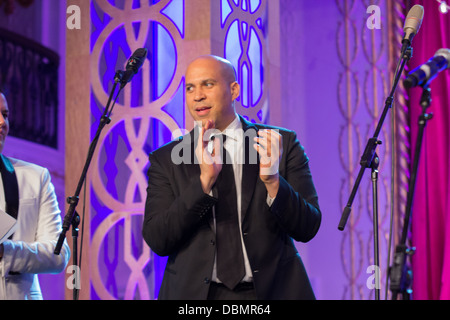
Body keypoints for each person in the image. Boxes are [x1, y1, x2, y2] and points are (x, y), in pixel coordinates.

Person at [142, 55, 321, 300]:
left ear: (234, 89)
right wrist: (203, 183)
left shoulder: (280, 143)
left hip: (270, 293)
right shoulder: (167, 159)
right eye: (190, 88)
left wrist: (273, 183)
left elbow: (308, 227)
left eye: (208, 84)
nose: (197, 96)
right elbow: (158, 239)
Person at [0, 92, 70, 300]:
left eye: (5, 114)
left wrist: (6, 252)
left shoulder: (35, 177)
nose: (2, 122)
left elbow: (57, 255)